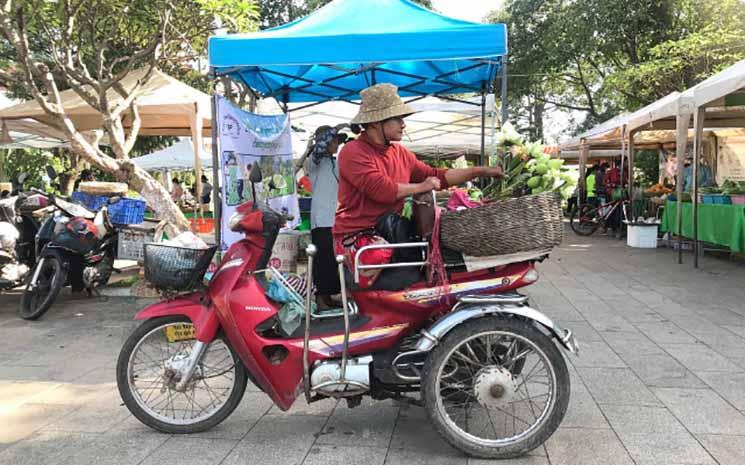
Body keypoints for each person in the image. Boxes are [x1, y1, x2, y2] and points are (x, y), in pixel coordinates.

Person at [333, 83, 503, 289]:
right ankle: (369, 300)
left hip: (389, 231)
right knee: (380, 253)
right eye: (397, 119)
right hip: (357, 236)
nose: (403, 124)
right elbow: (383, 191)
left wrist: (479, 171)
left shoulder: (400, 153)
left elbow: (436, 175)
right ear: (376, 122)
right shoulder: (353, 152)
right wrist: (423, 186)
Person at [307, 125, 347, 309]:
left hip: (337, 217)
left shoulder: (336, 162)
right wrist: (339, 128)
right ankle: (321, 298)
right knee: (323, 259)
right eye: (333, 141)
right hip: (322, 218)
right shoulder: (313, 161)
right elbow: (319, 147)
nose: (336, 145)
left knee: (334, 258)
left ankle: (330, 295)